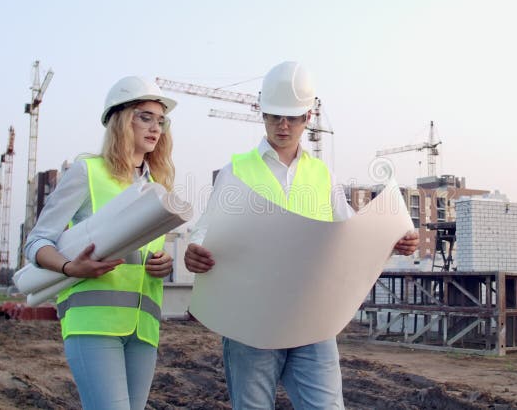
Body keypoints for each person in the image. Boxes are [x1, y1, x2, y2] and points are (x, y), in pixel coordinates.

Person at [185, 61, 418, 409]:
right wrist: (195, 251)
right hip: (252, 321)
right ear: (262, 115)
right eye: (275, 116)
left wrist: (392, 241)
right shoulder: (238, 170)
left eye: (292, 117)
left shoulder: (322, 176)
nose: (283, 125)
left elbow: (350, 233)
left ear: (307, 118)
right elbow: (205, 230)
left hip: (313, 320)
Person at [24, 76, 178, 410]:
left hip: (144, 327)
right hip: (93, 322)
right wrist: (68, 266)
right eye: (145, 117)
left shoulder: (158, 186)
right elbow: (36, 241)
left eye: (160, 121)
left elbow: (145, 256)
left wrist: (162, 263)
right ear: (121, 120)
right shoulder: (87, 172)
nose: (155, 128)